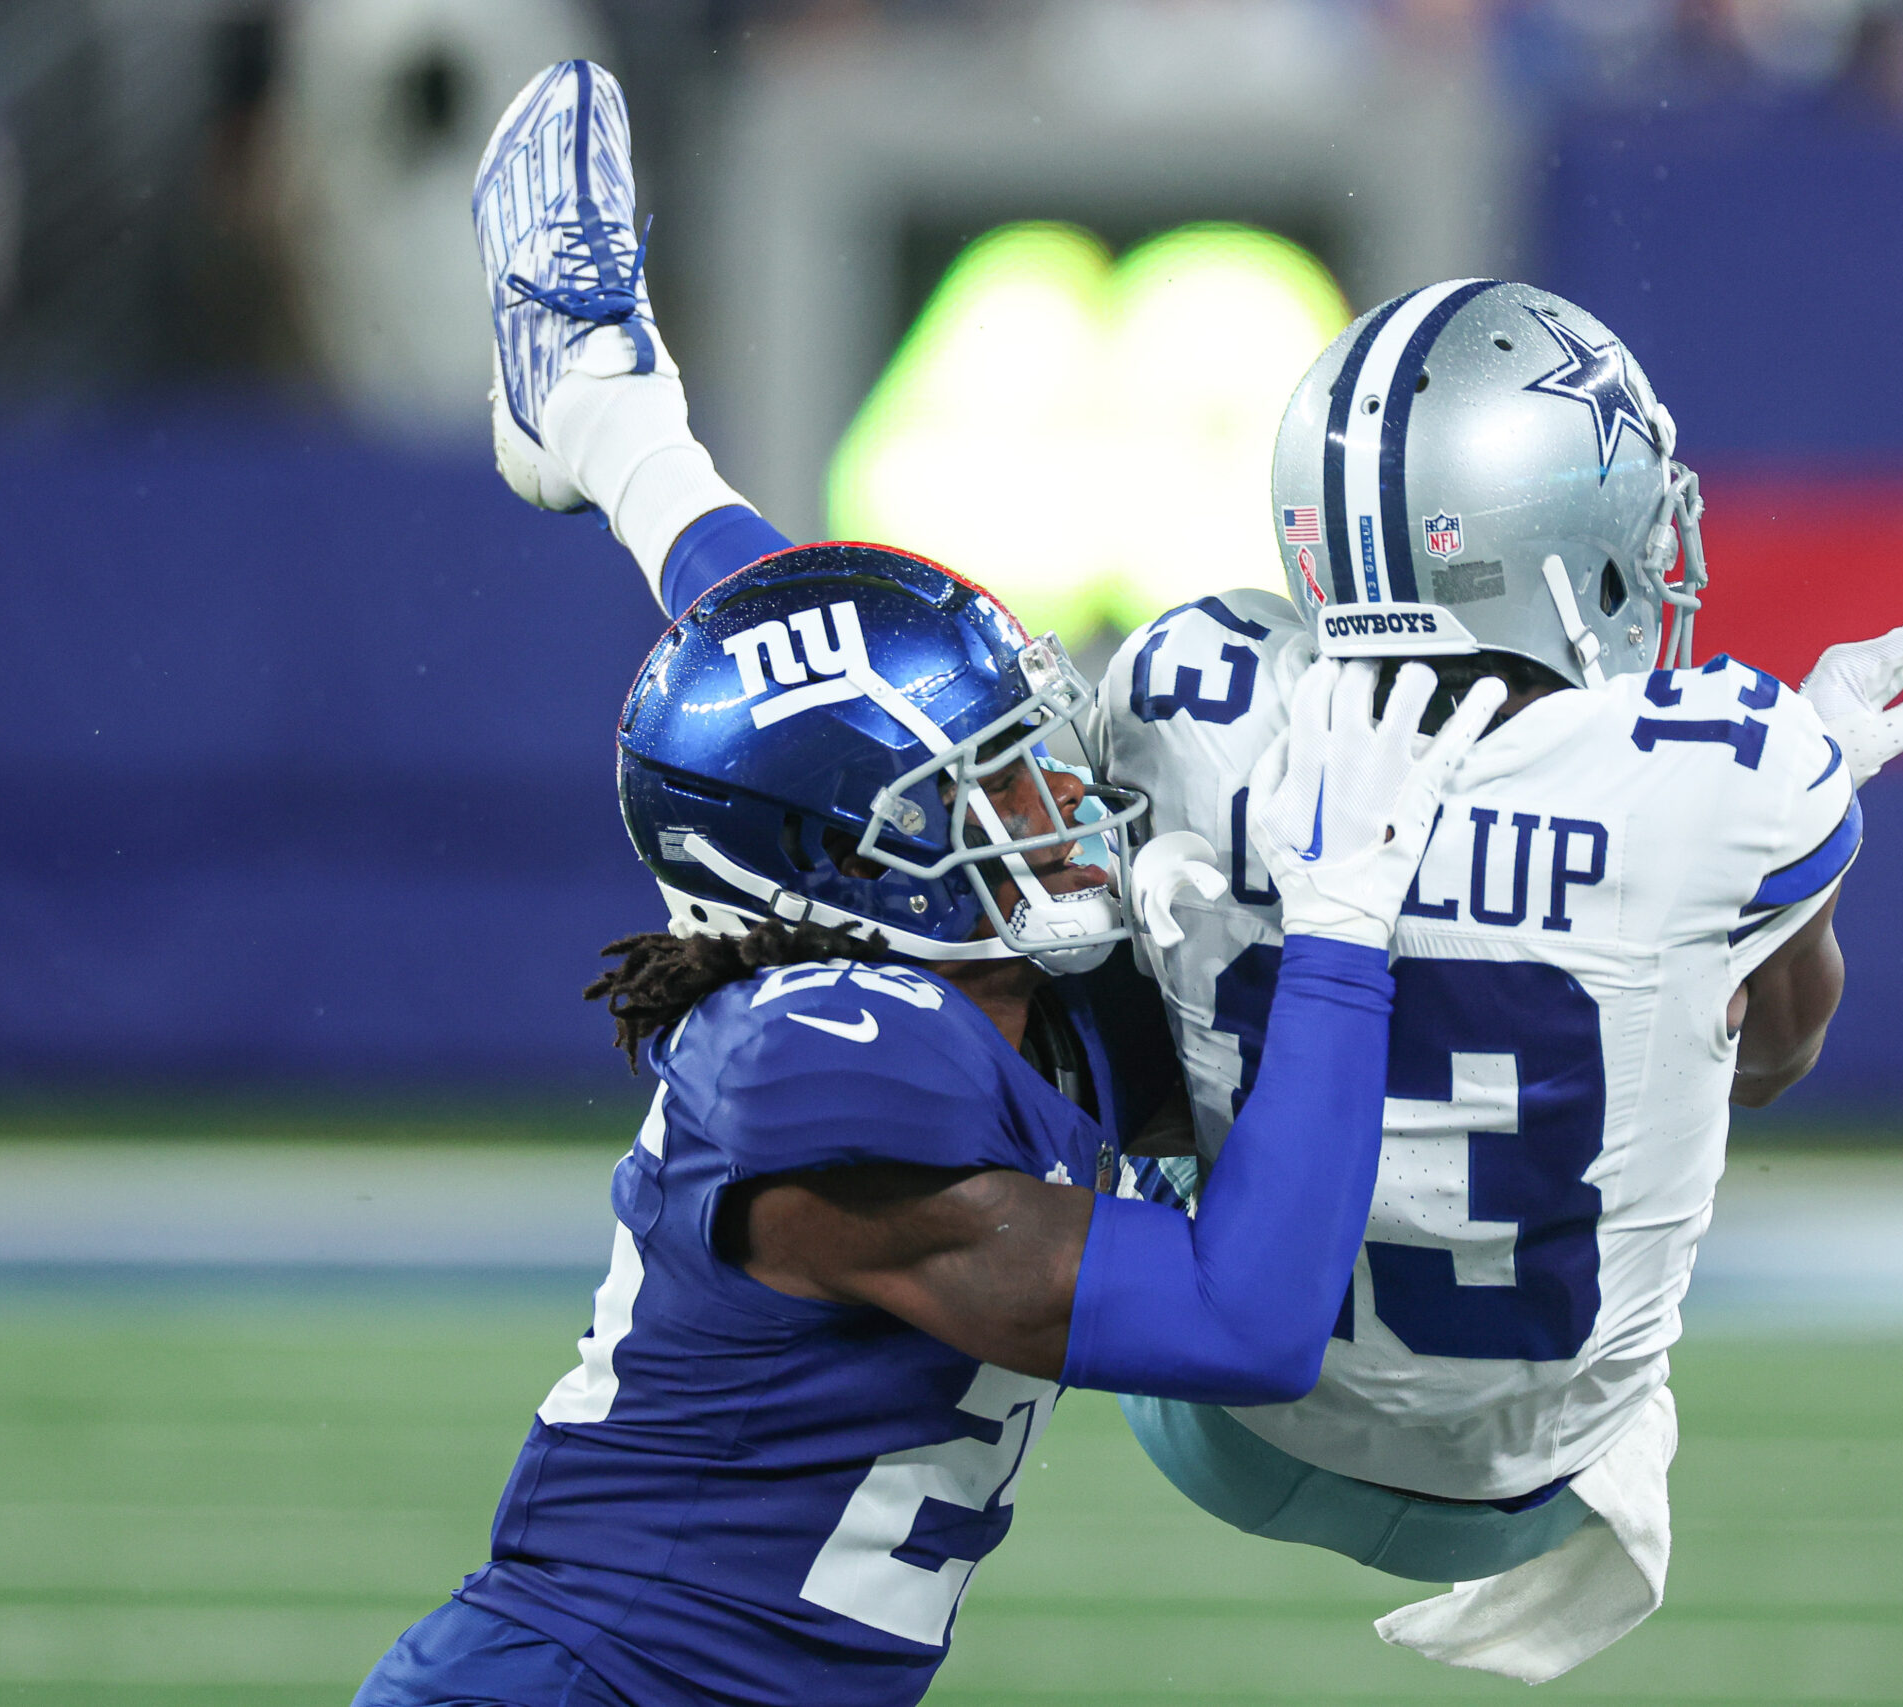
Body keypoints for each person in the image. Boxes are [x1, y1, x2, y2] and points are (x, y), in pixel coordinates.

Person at [351, 60, 1508, 1707]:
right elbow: (1246, 1319)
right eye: (995, 788)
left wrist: (629, 443)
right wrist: (1332, 934)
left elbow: (811, 656)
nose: (1061, 805)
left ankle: (598, 403)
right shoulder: (822, 1063)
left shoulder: (983, 989)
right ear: (852, 873)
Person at [1094, 279, 1903, 1682]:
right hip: (1522, 1477)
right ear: (1554, 548)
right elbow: (1768, 1062)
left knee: (1146, 1009)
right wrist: (1804, 842)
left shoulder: (1188, 691)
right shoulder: (1733, 769)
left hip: (1226, 1421)